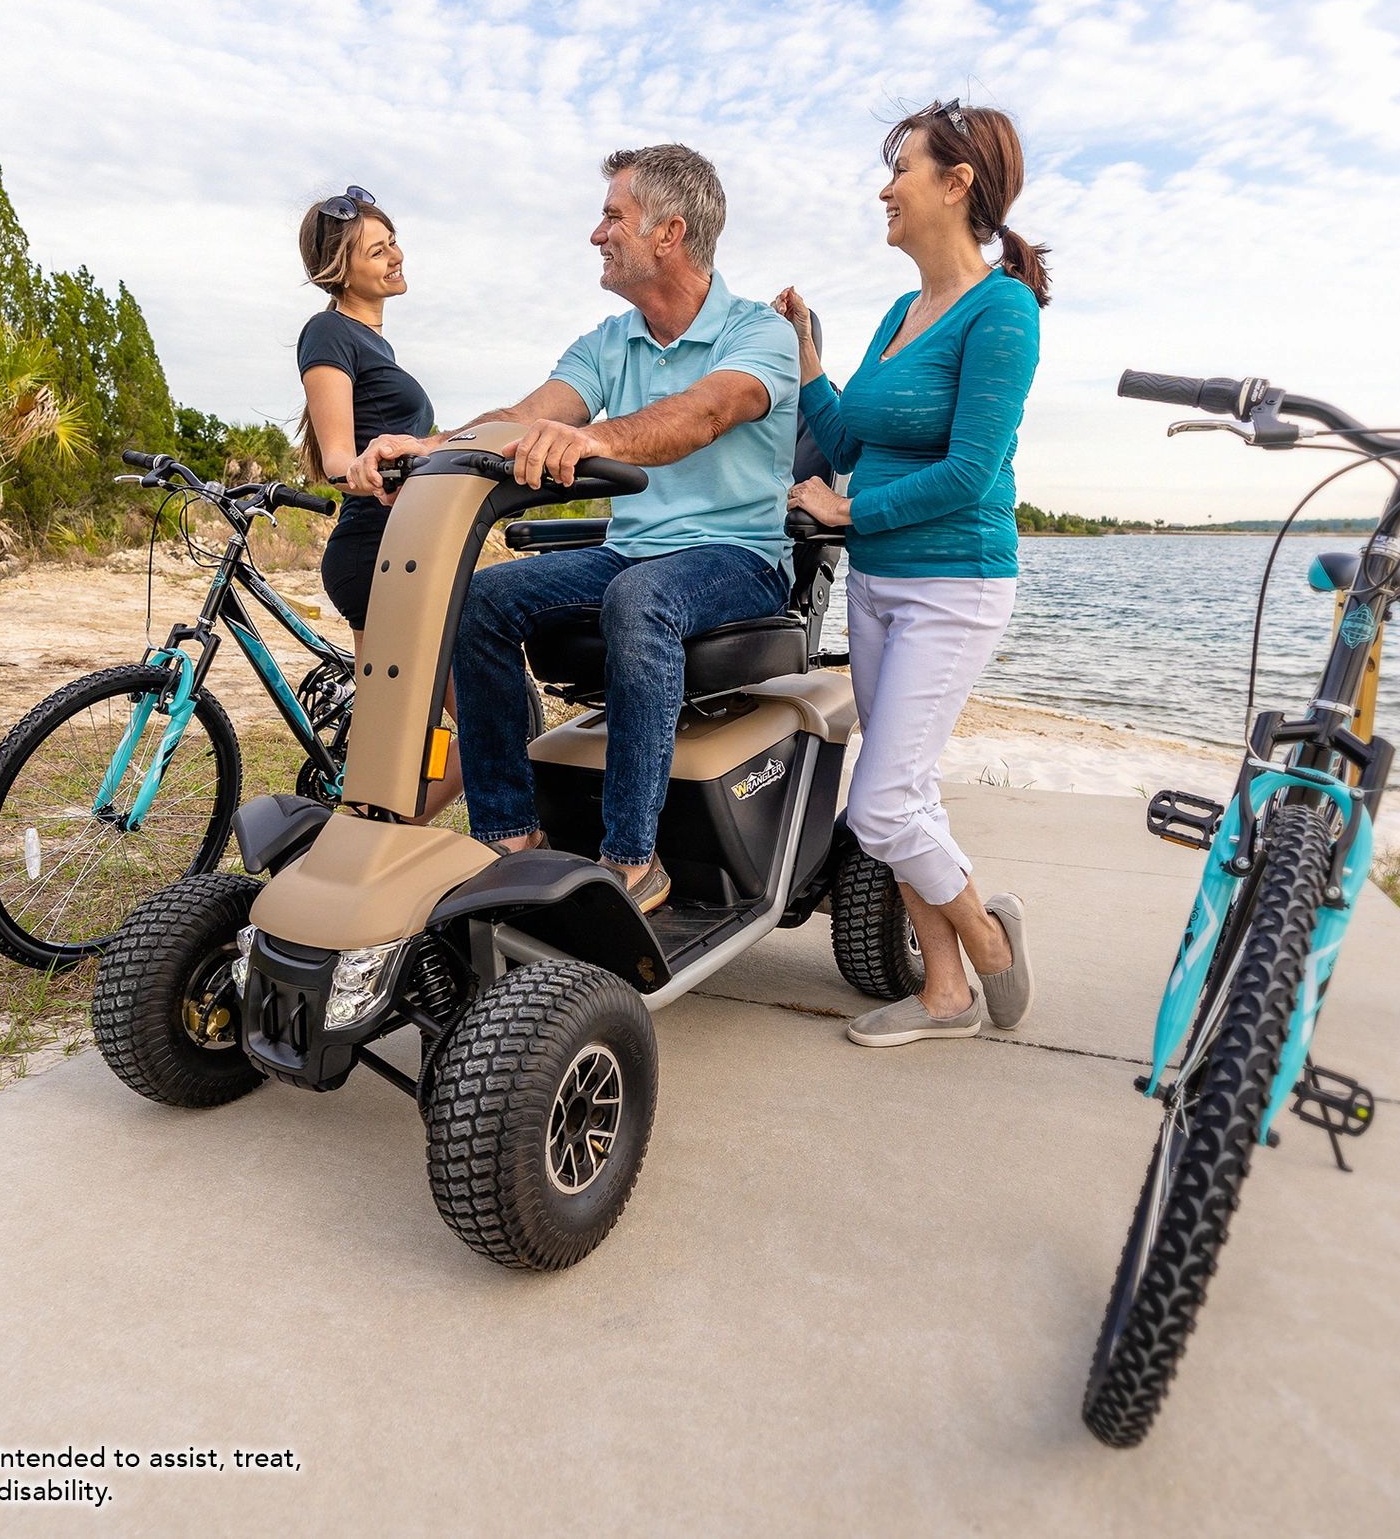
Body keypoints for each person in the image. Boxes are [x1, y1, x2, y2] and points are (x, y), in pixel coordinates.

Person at [350, 145, 799, 913]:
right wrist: (428, 447)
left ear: (669, 233)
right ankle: (510, 837)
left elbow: (706, 413)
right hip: (633, 553)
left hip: (738, 559)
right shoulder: (608, 342)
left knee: (640, 597)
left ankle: (632, 859)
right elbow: (527, 416)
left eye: (612, 216)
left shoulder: (760, 334)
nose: (597, 233)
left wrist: (599, 440)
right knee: (482, 599)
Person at [771, 99, 1043, 1045]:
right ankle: (945, 994)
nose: (887, 188)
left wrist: (849, 512)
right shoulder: (901, 310)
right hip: (879, 583)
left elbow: (971, 470)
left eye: (903, 169)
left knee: (881, 802)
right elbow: (846, 435)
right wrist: (810, 360)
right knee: (908, 792)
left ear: (956, 184)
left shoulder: (1002, 310)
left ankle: (988, 943)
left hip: (955, 583)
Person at [293, 185, 460, 816]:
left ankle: (371, 833)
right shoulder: (328, 333)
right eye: (377, 250)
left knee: (393, 735)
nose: (395, 256)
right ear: (339, 270)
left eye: (393, 243)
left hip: (400, 548)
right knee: (487, 715)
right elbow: (337, 456)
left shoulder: (373, 345)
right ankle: (382, 842)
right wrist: (359, 470)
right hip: (377, 554)